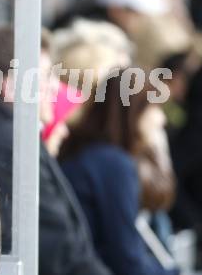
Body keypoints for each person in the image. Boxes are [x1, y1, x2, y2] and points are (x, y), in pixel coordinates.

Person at [0, 26, 112, 275]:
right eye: (46, 75)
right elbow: (58, 247)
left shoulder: (3, 135)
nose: (56, 87)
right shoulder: (13, 143)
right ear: (11, 84)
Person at [59, 71, 179, 275]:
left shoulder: (87, 152)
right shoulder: (114, 165)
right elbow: (127, 259)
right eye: (155, 108)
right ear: (135, 112)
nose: (161, 119)